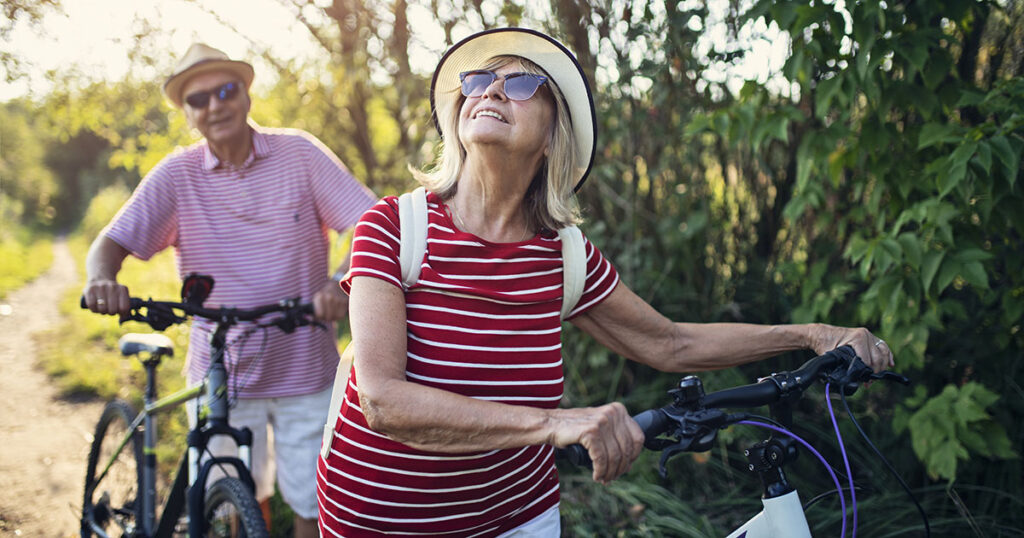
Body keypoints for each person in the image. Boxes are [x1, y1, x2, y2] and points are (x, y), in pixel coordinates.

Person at [315, 28, 894, 537]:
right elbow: (384, 401)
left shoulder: (565, 255)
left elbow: (671, 343)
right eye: (479, 80)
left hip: (520, 516)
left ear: (551, 139)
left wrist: (813, 335)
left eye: (522, 86)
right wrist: (557, 422)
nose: (491, 89)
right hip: (382, 520)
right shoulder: (394, 225)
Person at [82, 42, 377, 537]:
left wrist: (341, 281)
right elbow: (109, 243)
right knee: (229, 506)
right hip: (222, 371)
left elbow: (369, 224)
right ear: (186, 112)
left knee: (318, 501)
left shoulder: (298, 153)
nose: (214, 105)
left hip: (306, 367)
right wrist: (101, 279)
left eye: (225, 90)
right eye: (198, 99)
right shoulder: (177, 175)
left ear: (246, 94)